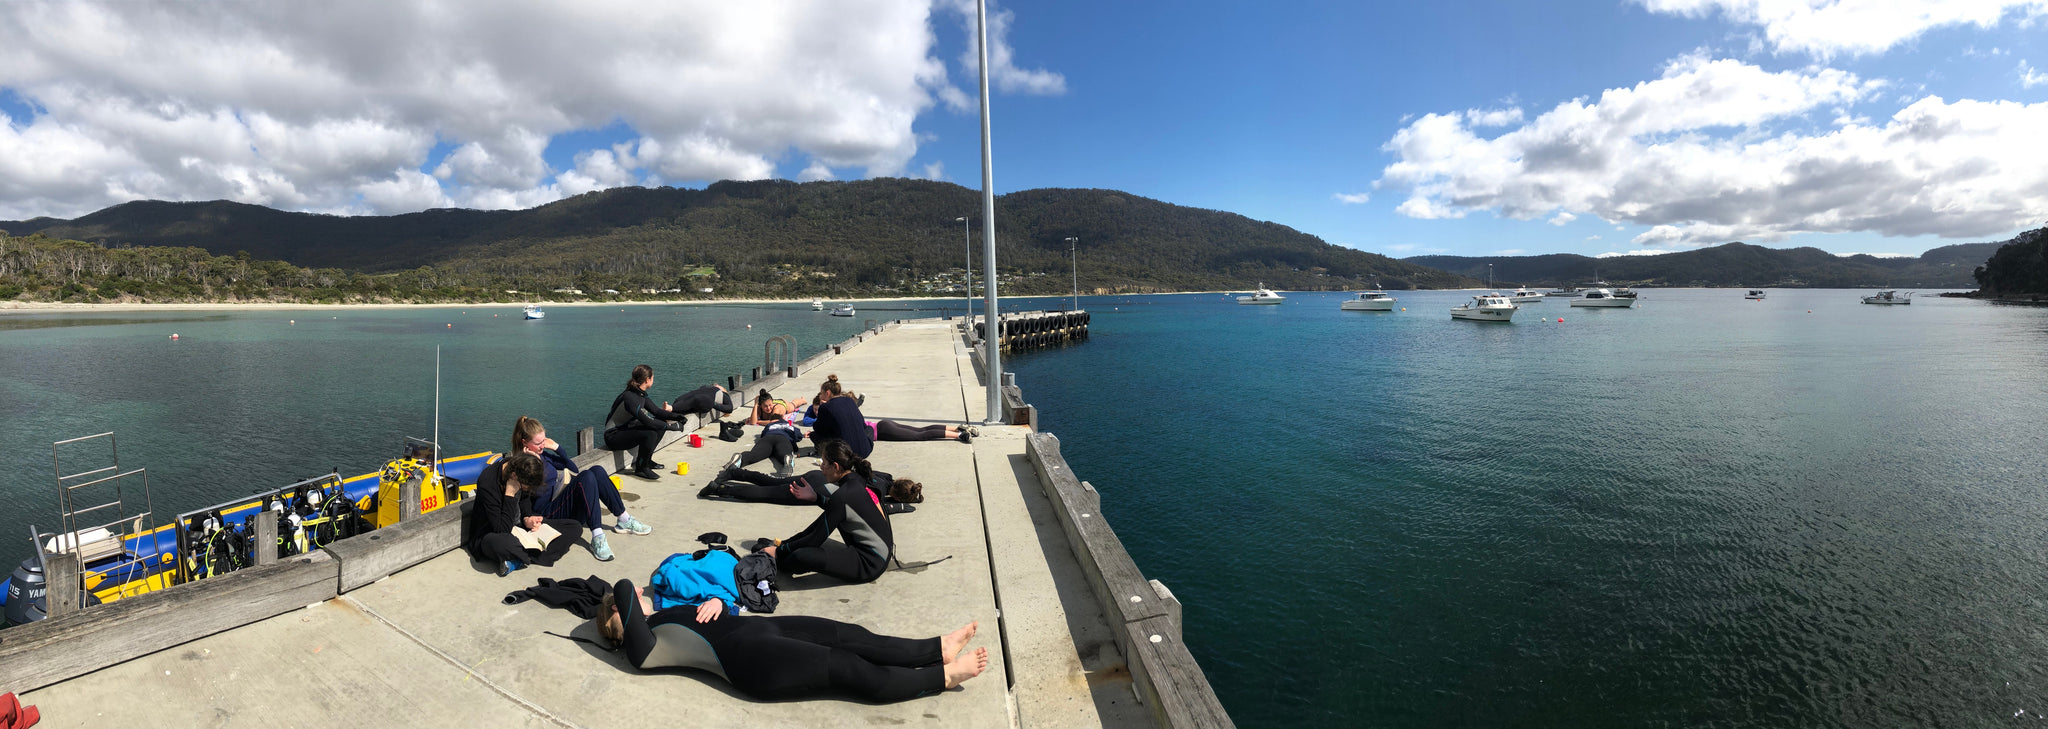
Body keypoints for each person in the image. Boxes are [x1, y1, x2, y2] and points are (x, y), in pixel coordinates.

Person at [595, 578, 987, 702]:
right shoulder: (645, 650)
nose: (642, 598)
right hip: (752, 661)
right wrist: (616, 607)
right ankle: (943, 678)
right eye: (629, 607)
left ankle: (936, 649)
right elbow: (625, 587)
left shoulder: (661, 617)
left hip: (762, 631)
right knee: (850, 668)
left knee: (853, 636)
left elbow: (712, 617)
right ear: (619, 615)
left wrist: (717, 601)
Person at [513, 416, 652, 562]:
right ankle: (597, 537)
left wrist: (557, 448)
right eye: (538, 443)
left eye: (544, 440)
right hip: (544, 516)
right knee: (586, 477)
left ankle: (624, 518)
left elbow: (573, 469)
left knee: (596, 470)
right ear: (525, 443)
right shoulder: (523, 464)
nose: (542, 445)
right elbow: (525, 497)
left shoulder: (543, 455)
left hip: (557, 504)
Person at [759, 439, 893, 583]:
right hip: (881, 553)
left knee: (801, 556)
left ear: (835, 466)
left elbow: (815, 538)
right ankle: (783, 545)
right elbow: (835, 512)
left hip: (869, 564)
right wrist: (816, 498)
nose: (821, 467)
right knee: (824, 520)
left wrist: (779, 552)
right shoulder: (856, 480)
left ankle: (777, 557)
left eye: (824, 463)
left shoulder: (843, 495)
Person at [465, 451, 586, 575]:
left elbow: (525, 499)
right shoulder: (488, 482)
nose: (526, 490)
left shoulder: (521, 469)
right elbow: (501, 528)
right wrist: (510, 494)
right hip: (492, 533)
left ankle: (520, 559)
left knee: (574, 527)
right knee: (503, 544)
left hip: (521, 529)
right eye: (525, 487)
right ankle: (536, 555)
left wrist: (527, 517)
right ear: (513, 476)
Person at [700, 467, 923, 515]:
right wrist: (904, 506)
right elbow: (884, 509)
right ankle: (720, 489)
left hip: (820, 475)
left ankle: (736, 472)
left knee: (768, 482)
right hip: (819, 489)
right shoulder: (878, 494)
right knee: (767, 494)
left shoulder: (883, 477)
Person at [604, 364, 688, 479]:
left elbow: (657, 411)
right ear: (647, 380)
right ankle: (641, 468)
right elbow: (648, 422)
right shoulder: (630, 397)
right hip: (613, 436)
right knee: (651, 432)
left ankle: (647, 460)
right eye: (653, 377)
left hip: (626, 429)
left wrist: (677, 417)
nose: (653, 380)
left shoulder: (639, 393)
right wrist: (672, 427)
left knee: (659, 422)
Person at [728, 390, 807, 477]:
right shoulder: (788, 425)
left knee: (793, 404)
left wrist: (759, 421)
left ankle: (742, 458)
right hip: (782, 438)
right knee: (783, 453)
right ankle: (787, 461)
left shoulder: (776, 411)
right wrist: (755, 405)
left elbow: (766, 426)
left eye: (770, 405)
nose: (769, 408)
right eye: (765, 406)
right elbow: (798, 435)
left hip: (769, 436)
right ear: (761, 406)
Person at [808, 376, 873, 458]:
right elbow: (863, 425)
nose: (820, 396)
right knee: (870, 429)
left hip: (846, 454)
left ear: (827, 393)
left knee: (814, 435)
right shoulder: (850, 400)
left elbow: (819, 429)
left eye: (821, 393)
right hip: (865, 450)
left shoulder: (825, 407)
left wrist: (822, 407)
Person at [671, 384, 736, 419]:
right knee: (680, 401)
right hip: (696, 399)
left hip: (706, 401)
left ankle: (671, 408)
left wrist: (713, 404)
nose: (717, 384)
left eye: (721, 386)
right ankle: (671, 413)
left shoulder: (722, 394)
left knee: (696, 399)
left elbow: (730, 408)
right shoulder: (706, 388)